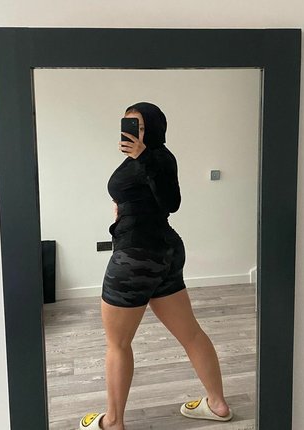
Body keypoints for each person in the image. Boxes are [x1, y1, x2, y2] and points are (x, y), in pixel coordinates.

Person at [79, 102, 233, 430]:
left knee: (117, 343)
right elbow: (146, 197)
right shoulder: (142, 160)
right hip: (163, 252)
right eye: (129, 125)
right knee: (190, 332)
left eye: (140, 127)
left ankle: (113, 422)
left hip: (137, 257)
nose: (134, 133)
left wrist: (143, 155)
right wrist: (124, 208)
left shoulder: (158, 157)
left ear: (154, 128)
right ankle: (217, 404)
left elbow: (171, 202)